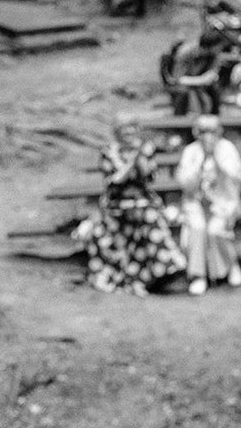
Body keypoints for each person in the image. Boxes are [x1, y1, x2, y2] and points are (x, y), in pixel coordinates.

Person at [73, 116, 186, 295]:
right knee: (104, 232)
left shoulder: (145, 149)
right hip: (115, 205)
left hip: (142, 203)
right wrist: (130, 163)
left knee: (151, 224)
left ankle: (158, 275)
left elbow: (147, 178)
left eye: (132, 129)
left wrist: (139, 159)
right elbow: (114, 182)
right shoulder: (109, 151)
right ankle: (122, 277)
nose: (129, 133)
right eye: (124, 129)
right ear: (117, 132)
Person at [174, 114, 241, 296]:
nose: (208, 135)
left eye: (212, 131)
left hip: (224, 202)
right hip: (196, 202)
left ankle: (230, 266)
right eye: (203, 131)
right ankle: (198, 275)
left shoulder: (227, 148)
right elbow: (185, 183)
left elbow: (237, 176)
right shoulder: (191, 151)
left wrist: (217, 160)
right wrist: (199, 166)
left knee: (215, 229)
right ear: (197, 133)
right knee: (197, 228)